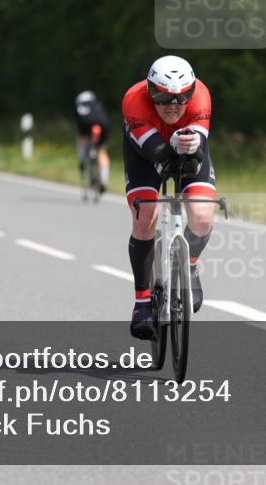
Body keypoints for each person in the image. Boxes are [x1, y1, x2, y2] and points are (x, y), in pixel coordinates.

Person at [121, 56, 216, 340]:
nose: (172, 106)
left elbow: (197, 153)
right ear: (150, 92)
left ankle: (189, 266)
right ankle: (141, 302)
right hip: (145, 153)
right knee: (144, 216)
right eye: (162, 98)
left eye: (180, 98)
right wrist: (168, 148)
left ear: (191, 91)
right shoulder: (134, 100)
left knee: (201, 216)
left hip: (189, 149)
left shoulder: (201, 97)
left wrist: (192, 145)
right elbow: (156, 153)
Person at [74, 90, 110, 194]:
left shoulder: (79, 107)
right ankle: (103, 181)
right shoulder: (98, 105)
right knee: (102, 152)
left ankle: (82, 160)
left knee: (81, 140)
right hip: (103, 126)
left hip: (85, 125)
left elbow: (79, 129)